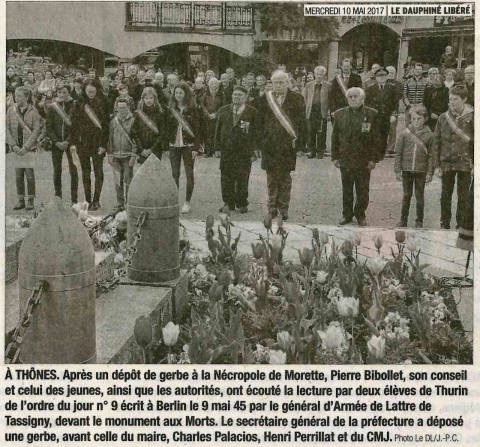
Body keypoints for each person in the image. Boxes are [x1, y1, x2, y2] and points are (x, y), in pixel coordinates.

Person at [255, 70, 306, 220]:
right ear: (271, 84)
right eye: (275, 82)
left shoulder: (297, 99)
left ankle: (283, 209)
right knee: (271, 179)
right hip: (269, 145)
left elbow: (302, 123)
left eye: (281, 82)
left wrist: (301, 145)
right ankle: (271, 208)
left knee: (285, 178)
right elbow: (258, 123)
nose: (278, 85)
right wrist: (260, 143)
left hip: (287, 145)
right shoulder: (265, 99)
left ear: (287, 83)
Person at [331, 87, 379, 226]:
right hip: (345, 158)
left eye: (355, 96)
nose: (353, 99)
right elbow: (335, 137)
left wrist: (373, 159)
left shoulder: (372, 114)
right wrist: (335, 156)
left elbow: (376, 139)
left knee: (362, 189)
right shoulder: (339, 114)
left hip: (363, 160)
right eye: (350, 97)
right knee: (347, 189)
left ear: (362, 98)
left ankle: (360, 214)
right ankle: (346, 215)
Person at [432, 85, 474, 229]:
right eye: (450, 99)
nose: (452, 102)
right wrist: (436, 164)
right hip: (447, 161)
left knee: (463, 195)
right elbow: (436, 141)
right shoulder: (443, 117)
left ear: (464, 99)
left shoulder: (473, 117)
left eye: (455, 99)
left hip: (465, 161)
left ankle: (461, 223)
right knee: (445, 195)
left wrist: (475, 163)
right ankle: (445, 222)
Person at [215, 85, 257, 214]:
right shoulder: (223, 111)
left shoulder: (252, 112)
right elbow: (217, 130)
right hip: (227, 150)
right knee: (226, 177)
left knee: (242, 177)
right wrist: (217, 148)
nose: (236, 97)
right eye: (235, 95)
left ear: (246, 97)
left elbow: (256, 132)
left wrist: (254, 150)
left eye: (239, 95)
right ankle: (228, 203)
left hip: (244, 151)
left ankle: (242, 203)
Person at [70, 78, 109, 210]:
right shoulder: (78, 103)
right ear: (84, 90)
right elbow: (73, 125)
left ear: (97, 90)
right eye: (88, 91)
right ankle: (87, 200)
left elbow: (106, 126)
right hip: (83, 142)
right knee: (86, 172)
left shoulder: (103, 102)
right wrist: (74, 142)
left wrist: (104, 144)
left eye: (93, 91)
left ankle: (96, 200)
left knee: (99, 172)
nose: (91, 93)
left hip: (98, 142)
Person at [394, 105, 434, 228]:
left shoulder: (429, 135)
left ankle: (419, 220)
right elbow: (398, 153)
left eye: (419, 119)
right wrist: (397, 170)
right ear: (410, 119)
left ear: (425, 119)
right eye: (414, 118)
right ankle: (403, 220)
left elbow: (432, 156)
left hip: (421, 170)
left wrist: (429, 173)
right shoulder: (404, 134)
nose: (416, 121)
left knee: (419, 196)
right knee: (406, 195)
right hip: (406, 169)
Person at [165, 82, 201, 214]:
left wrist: (196, 147)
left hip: (189, 146)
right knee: (174, 174)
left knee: (189, 174)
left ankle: (187, 202)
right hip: (173, 145)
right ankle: (175, 201)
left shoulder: (193, 109)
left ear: (186, 94)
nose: (178, 95)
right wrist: (166, 145)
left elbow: (198, 129)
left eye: (181, 93)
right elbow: (166, 128)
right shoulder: (170, 109)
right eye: (176, 93)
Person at [6, 86, 41, 211]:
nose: (17, 98)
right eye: (16, 95)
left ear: (26, 97)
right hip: (16, 148)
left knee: (29, 174)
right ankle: (20, 199)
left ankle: (30, 200)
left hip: (28, 148)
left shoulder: (33, 111)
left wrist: (26, 147)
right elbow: (7, 128)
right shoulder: (11, 110)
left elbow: (36, 130)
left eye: (19, 96)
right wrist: (13, 145)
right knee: (18, 175)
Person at [46, 83, 79, 205]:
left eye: (65, 92)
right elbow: (49, 127)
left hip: (71, 143)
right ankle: (58, 197)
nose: (62, 94)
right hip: (57, 143)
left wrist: (68, 141)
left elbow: (75, 126)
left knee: (73, 170)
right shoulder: (51, 107)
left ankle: (74, 199)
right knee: (57, 170)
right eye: (60, 92)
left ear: (68, 93)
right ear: (56, 93)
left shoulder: (74, 106)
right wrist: (56, 142)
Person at [107, 98, 137, 211]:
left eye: (124, 107)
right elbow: (110, 138)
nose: (122, 110)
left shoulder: (133, 121)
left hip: (128, 155)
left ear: (128, 107)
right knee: (117, 181)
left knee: (128, 180)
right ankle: (120, 203)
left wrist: (134, 155)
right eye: (120, 108)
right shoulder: (113, 122)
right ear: (117, 109)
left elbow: (135, 139)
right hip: (115, 156)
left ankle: (129, 203)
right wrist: (110, 154)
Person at [365, 67, 399, 160]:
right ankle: (373, 153)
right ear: (375, 77)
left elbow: (395, 103)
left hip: (386, 115)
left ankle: (381, 154)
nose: (381, 78)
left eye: (383, 76)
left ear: (387, 76)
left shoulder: (392, 88)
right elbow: (367, 103)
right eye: (379, 76)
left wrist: (393, 114)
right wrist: (367, 115)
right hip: (374, 115)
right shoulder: (370, 88)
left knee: (384, 134)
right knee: (374, 134)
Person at [303, 65, 331, 159]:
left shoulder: (328, 85)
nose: (319, 76)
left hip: (321, 111)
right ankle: (311, 151)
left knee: (321, 132)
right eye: (317, 74)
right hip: (311, 111)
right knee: (310, 131)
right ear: (314, 74)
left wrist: (328, 112)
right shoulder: (308, 85)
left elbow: (330, 100)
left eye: (321, 74)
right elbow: (305, 98)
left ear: (324, 75)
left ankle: (320, 151)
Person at [133, 87, 165, 164]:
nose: (149, 100)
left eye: (151, 98)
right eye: (146, 98)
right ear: (143, 99)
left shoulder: (160, 114)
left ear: (155, 99)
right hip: (142, 149)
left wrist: (152, 149)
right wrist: (141, 149)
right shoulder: (138, 114)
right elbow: (135, 132)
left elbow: (162, 133)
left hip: (155, 149)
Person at [201, 77, 225, 157]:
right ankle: (208, 151)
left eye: (215, 83)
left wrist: (216, 114)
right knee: (208, 134)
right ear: (209, 85)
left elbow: (223, 106)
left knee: (217, 134)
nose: (213, 85)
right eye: (212, 83)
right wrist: (208, 114)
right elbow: (202, 105)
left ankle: (216, 151)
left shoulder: (222, 94)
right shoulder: (206, 94)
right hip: (208, 118)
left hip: (218, 118)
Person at [385, 66, 403, 154]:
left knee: (392, 128)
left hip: (393, 109)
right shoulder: (382, 82)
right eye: (388, 73)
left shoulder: (398, 84)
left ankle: (391, 148)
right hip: (383, 109)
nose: (390, 75)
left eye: (392, 73)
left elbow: (399, 95)